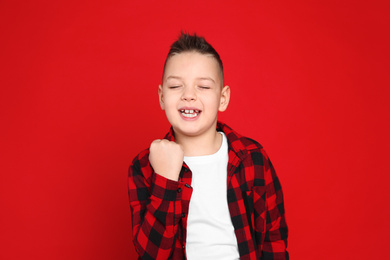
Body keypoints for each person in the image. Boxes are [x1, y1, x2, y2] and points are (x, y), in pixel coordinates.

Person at [128, 32, 288, 260]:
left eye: (203, 86)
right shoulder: (144, 166)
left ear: (223, 98)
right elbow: (152, 254)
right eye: (175, 86)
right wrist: (165, 179)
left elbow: (274, 240)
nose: (189, 96)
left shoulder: (252, 158)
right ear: (162, 97)